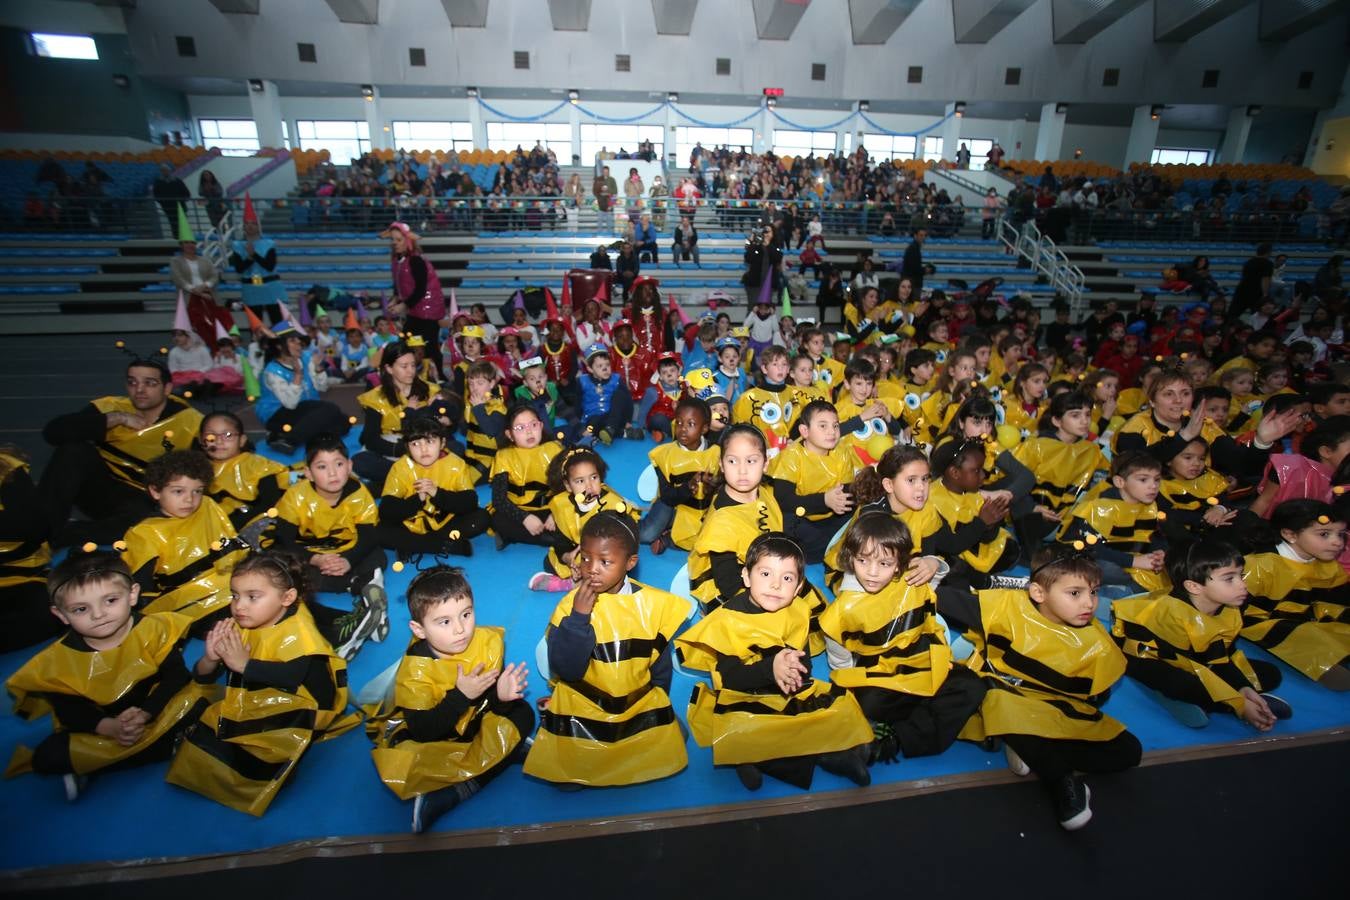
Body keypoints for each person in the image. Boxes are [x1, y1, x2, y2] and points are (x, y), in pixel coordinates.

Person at [950, 548, 1141, 831]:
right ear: (1039, 594)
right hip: (1005, 694)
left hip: (1052, 707)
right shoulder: (1007, 608)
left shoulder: (1097, 639)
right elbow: (946, 599)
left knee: (1130, 752)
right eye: (1075, 593)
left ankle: (1030, 748)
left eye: (1094, 592)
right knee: (995, 698)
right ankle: (1060, 779)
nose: (1089, 603)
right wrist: (932, 565)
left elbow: (1096, 696)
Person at [166, 551, 362, 816]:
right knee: (206, 713)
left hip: (309, 706)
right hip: (263, 695)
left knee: (247, 749)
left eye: (252, 597)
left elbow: (291, 677)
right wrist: (210, 659)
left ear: (287, 598)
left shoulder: (299, 631)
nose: (239, 606)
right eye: (235, 595)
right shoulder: (244, 622)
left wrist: (243, 665)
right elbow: (202, 678)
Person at [676, 533, 874, 791]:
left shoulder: (798, 611)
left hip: (785, 692)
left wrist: (794, 676)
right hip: (743, 696)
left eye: (787, 578)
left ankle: (778, 756)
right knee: (748, 728)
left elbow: (805, 668)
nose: (776, 585)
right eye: (766, 574)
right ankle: (816, 758)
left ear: (799, 587)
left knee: (837, 709)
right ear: (747, 577)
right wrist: (770, 669)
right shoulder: (727, 620)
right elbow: (731, 678)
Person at [5, 553, 209, 800]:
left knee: (203, 706)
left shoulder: (154, 629)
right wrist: (110, 728)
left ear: (132, 595)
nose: (98, 614)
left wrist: (146, 713)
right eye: (81, 609)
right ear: (60, 615)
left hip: (158, 711)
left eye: (110, 600)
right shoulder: (55, 663)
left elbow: (176, 678)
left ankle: (102, 763)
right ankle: (161, 747)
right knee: (48, 757)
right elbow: (72, 711)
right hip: (104, 728)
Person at [523, 512, 692, 787]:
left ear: (630, 563)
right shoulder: (570, 607)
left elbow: (659, 668)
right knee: (564, 780)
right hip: (586, 707)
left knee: (678, 736)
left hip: (635, 705)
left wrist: (657, 704)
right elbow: (565, 669)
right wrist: (578, 619)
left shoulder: (652, 605)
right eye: (586, 558)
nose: (592, 569)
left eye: (605, 562)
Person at [365, 566, 533, 833]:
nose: (460, 630)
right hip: (434, 735)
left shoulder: (486, 640)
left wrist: (501, 696)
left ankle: (496, 757)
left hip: (470, 720)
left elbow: (489, 701)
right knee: (414, 761)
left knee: (523, 713)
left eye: (466, 614)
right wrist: (461, 695)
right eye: (444, 622)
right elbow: (423, 731)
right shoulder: (415, 671)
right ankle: (457, 790)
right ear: (419, 629)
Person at [821, 513, 986, 761]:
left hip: (923, 662)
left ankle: (897, 735)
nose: (873, 572)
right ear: (850, 558)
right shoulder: (840, 613)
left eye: (884, 564)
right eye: (863, 560)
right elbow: (841, 663)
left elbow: (935, 576)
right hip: (880, 676)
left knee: (972, 686)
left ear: (899, 563)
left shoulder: (910, 579)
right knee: (869, 703)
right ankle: (910, 732)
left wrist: (933, 561)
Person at [1112, 539, 1290, 729]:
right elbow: (1195, 666)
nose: (1242, 585)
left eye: (1241, 575)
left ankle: (1223, 700)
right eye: (1229, 579)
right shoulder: (1171, 615)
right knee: (1182, 683)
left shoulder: (1229, 608)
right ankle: (1229, 707)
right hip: (1146, 657)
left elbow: (1222, 657)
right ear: (1194, 586)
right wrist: (1239, 703)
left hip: (1198, 660)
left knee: (1271, 674)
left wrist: (1243, 686)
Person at [40, 358, 203, 547]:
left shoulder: (189, 421)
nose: (139, 390)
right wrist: (114, 418)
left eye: (150, 383)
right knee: (73, 451)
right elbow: (53, 432)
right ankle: (42, 530)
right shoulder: (111, 407)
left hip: (146, 498)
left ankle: (65, 535)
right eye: (133, 382)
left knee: (145, 524)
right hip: (101, 488)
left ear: (167, 388)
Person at [268, 435, 389, 660]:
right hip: (311, 557)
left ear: (350, 466)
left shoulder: (357, 492)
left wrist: (348, 560)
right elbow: (284, 540)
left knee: (378, 555)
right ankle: (362, 587)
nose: (333, 473)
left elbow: (369, 536)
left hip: (347, 552)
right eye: (322, 467)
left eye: (339, 464)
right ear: (309, 473)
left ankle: (363, 589)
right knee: (284, 570)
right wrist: (314, 559)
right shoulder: (295, 497)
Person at [120, 450, 247, 632]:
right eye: (178, 491)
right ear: (155, 491)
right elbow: (141, 589)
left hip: (232, 584)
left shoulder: (207, 505)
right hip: (190, 604)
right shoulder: (144, 534)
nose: (190, 499)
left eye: (197, 491)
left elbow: (233, 548)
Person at [1239, 499, 1350, 690]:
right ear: (1289, 534)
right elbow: (1237, 610)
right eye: (1324, 534)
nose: (1337, 542)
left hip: (1307, 618)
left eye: (1341, 535)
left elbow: (1332, 603)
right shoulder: (1260, 564)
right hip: (1261, 620)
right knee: (1303, 635)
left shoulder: (1328, 566)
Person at [529, 447, 641, 593]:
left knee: (616, 572)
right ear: (568, 485)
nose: (589, 486)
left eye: (594, 477)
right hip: (580, 554)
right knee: (549, 561)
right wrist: (567, 557)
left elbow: (628, 541)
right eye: (580, 481)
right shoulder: (563, 505)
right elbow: (560, 541)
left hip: (607, 556)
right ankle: (578, 581)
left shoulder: (613, 505)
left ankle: (575, 583)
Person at [1057, 450, 1168, 595]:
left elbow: (1154, 536)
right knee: (1105, 569)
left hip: (1124, 559)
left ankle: (1119, 589)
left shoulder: (1149, 507)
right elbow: (1091, 549)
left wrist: (1160, 553)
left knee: (1165, 569)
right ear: (1120, 482)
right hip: (1086, 557)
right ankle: (1117, 590)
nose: (1153, 486)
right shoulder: (1101, 507)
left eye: (1157, 480)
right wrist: (1133, 561)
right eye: (1143, 480)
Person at [377, 417, 487, 560]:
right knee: (378, 531)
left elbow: (469, 502)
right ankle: (447, 546)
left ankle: (410, 546)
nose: (423, 450)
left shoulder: (456, 464)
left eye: (430, 441)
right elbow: (386, 510)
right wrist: (418, 499)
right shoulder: (400, 467)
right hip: (411, 526)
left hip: (445, 524)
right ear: (407, 447)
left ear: (442, 443)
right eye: (415, 444)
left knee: (481, 518)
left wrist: (436, 493)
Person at [354, 342, 448, 491]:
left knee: (456, 448)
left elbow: (445, 426)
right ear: (389, 368)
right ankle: (413, 479)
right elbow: (371, 439)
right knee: (360, 461)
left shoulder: (430, 390)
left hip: (426, 448)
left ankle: (396, 483)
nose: (410, 371)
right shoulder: (376, 398)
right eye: (404, 366)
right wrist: (405, 450)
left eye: (412, 365)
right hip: (393, 449)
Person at [254, 322, 348, 457]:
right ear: (280, 346)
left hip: (307, 410)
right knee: (331, 409)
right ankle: (289, 439)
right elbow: (290, 403)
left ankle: (283, 435)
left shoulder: (305, 358)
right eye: (293, 341)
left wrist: (318, 369)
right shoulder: (272, 371)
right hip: (278, 413)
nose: (299, 344)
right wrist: (297, 375)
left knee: (344, 422)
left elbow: (322, 387)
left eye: (299, 340)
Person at [640, 397, 720, 554]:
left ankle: (667, 539)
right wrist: (689, 487)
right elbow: (667, 496)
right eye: (679, 422)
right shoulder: (665, 454)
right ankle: (625, 522)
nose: (683, 429)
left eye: (690, 424)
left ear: (704, 429)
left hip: (701, 510)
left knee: (708, 542)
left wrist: (714, 484)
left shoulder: (716, 453)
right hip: (672, 505)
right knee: (646, 534)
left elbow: (724, 487)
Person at [198, 411, 289, 534]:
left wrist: (232, 526)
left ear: (242, 440)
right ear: (201, 440)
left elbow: (271, 503)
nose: (219, 441)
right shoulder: (196, 468)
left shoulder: (257, 465)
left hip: (253, 524)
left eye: (228, 435)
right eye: (210, 436)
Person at [488, 405, 565, 549]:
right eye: (520, 428)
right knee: (496, 519)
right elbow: (499, 500)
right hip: (517, 510)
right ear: (510, 434)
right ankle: (551, 539)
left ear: (541, 426)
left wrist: (556, 513)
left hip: (550, 508)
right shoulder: (504, 456)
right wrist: (525, 518)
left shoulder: (554, 449)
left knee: (575, 509)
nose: (529, 431)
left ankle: (525, 536)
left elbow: (567, 487)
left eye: (533, 425)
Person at [384, 221, 446, 377]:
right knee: (408, 341)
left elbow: (420, 288)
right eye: (392, 239)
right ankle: (412, 373)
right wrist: (396, 299)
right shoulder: (399, 261)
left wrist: (403, 306)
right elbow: (400, 284)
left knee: (428, 345)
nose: (394, 243)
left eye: (398, 240)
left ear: (408, 241)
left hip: (427, 311)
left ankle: (438, 376)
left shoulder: (416, 260)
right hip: (416, 310)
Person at [228, 201, 287, 324]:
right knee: (256, 323)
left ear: (258, 226)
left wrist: (254, 255)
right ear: (243, 227)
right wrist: (249, 258)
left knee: (278, 321)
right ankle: (258, 342)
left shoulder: (269, 244)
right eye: (247, 224)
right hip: (251, 288)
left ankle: (281, 342)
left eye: (253, 223)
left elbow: (270, 266)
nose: (250, 226)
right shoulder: (238, 246)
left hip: (270, 287)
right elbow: (239, 269)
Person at [170, 231, 228, 352]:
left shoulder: (205, 260)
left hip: (209, 297)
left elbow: (214, 276)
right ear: (181, 245)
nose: (190, 245)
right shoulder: (176, 261)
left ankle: (217, 351)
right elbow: (178, 279)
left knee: (214, 326)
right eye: (186, 243)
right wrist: (197, 291)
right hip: (189, 299)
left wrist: (206, 285)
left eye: (192, 242)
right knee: (195, 328)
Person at [1230, 242, 1274, 322]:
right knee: (1257, 317)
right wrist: (1265, 294)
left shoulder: (1248, 262)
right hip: (1256, 292)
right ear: (1268, 252)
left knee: (1233, 314)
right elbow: (1265, 279)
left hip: (1242, 290)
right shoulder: (1268, 264)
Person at [151, 164, 189, 233]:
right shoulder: (158, 182)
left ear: (169, 171)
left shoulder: (177, 180)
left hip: (180, 205)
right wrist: (163, 202)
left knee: (183, 223)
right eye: (163, 171)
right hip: (168, 207)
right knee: (173, 224)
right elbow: (156, 194)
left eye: (166, 170)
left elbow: (186, 192)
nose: (165, 172)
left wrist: (182, 199)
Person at [901, 227, 927, 294]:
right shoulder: (913, 249)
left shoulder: (914, 248)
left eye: (924, 235)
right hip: (913, 283)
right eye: (921, 235)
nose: (923, 237)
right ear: (915, 236)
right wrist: (925, 270)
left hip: (912, 282)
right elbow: (914, 268)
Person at [592, 165, 617, 232]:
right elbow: (594, 190)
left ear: (609, 172)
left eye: (607, 172)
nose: (605, 173)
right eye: (604, 172)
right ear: (602, 172)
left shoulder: (612, 180)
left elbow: (615, 191)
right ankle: (599, 235)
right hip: (600, 203)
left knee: (609, 221)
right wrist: (600, 193)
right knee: (600, 221)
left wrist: (608, 191)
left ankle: (610, 235)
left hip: (609, 203)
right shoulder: (598, 179)